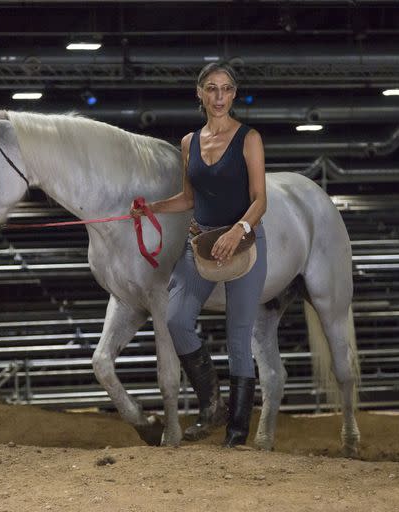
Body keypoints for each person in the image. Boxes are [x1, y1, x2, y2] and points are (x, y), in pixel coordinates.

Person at [130, 62, 268, 447]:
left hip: (243, 243)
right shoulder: (189, 142)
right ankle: (212, 404)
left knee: (238, 340)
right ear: (200, 93)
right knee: (175, 320)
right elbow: (190, 199)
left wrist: (240, 229)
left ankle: (236, 436)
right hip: (201, 244)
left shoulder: (249, 139)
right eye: (212, 89)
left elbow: (260, 200)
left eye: (226, 89)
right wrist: (152, 208)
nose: (219, 97)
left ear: (234, 94)